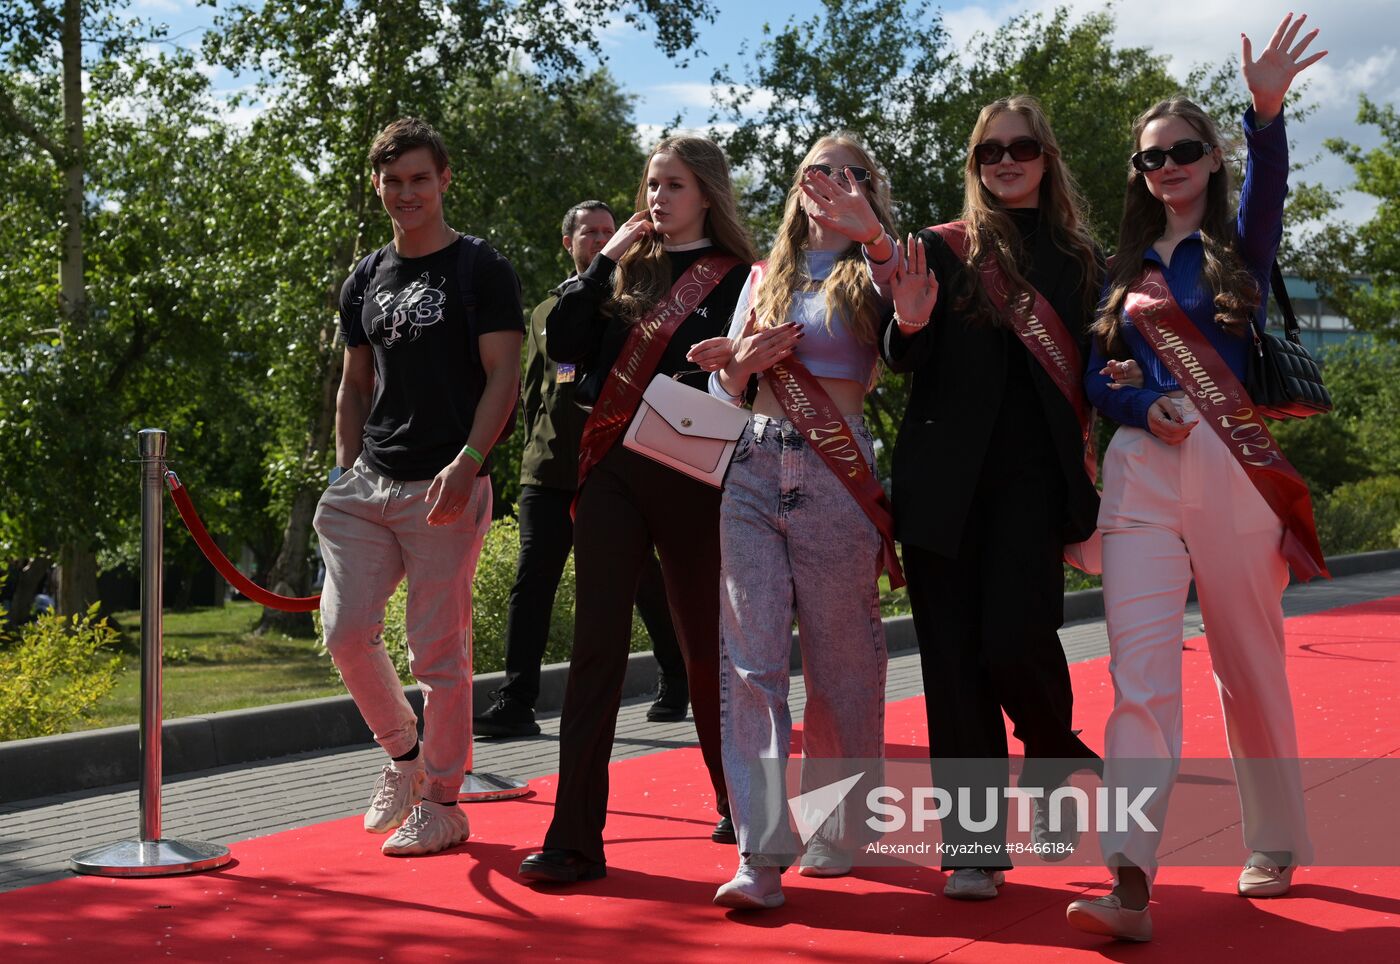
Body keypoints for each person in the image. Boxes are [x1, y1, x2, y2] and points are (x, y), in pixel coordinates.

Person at [1066, 14, 1328, 943]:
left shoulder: (1239, 255)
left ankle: (1275, 838)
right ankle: (1130, 879)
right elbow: (1096, 375)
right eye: (1151, 158)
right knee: (1138, 676)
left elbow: (1268, 196)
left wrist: (1265, 114)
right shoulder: (1120, 272)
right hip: (1141, 475)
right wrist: (1139, 407)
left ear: (1210, 160)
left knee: (1246, 665)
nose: (1166, 166)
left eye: (1183, 151)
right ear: (1139, 175)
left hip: (1232, 469)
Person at [873, 95, 1104, 900]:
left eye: (1021, 148)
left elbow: (1102, 371)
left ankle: (1051, 747)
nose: (1005, 161)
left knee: (1016, 642)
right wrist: (905, 323)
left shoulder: (1080, 260)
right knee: (952, 670)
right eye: (988, 152)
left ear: (1047, 157)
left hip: (1033, 486)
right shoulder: (940, 249)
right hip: (940, 486)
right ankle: (974, 846)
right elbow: (902, 354)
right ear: (973, 164)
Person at [517, 136, 757, 884]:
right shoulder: (628, 269)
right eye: (651, 184)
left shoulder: (745, 277)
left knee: (709, 647)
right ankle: (575, 837)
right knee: (596, 649)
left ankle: (742, 805)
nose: (657, 198)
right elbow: (563, 343)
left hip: (697, 474)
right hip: (616, 470)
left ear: (707, 193)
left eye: (674, 185)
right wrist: (602, 262)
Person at [314, 117, 524, 856]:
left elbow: (505, 374)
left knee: (439, 657)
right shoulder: (365, 277)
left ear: (443, 181)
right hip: (368, 483)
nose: (406, 193)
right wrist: (344, 468)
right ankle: (404, 758)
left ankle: (443, 800)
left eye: (419, 179)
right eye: (393, 180)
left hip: (448, 484)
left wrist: (468, 462)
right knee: (344, 633)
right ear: (378, 185)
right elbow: (354, 381)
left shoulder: (480, 268)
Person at [702, 133, 901, 910]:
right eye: (820, 169)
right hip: (752, 467)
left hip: (836, 469)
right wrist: (740, 362)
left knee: (842, 661)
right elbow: (729, 396)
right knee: (751, 666)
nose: (834, 182)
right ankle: (760, 852)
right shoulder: (763, 274)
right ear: (796, 184)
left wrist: (871, 233)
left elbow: (907, 338)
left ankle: (836, 823)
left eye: (854, 173)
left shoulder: (881, 267)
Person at [474, 200, 690, 738]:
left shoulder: (639, 308)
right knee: (532, 583)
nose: (599, 240)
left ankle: (678, 674)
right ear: (567, 243)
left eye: (607, 232)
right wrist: (529, 449)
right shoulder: (549, 310)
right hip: (549, 468)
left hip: (615, 468)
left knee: (644, 581)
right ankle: (517, 700)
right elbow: (535, 391)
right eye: (588, 233)